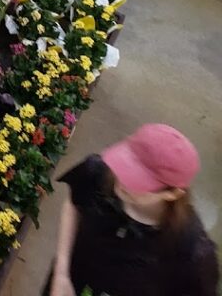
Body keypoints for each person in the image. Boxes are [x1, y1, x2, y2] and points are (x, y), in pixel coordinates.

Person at [49, 124, 218, 296]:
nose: (121, 182)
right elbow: (74, 203)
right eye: (125, 167)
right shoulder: (98, 173)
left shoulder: (192, 253)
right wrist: (61, 274)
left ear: (173, 193)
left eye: (138, 181)